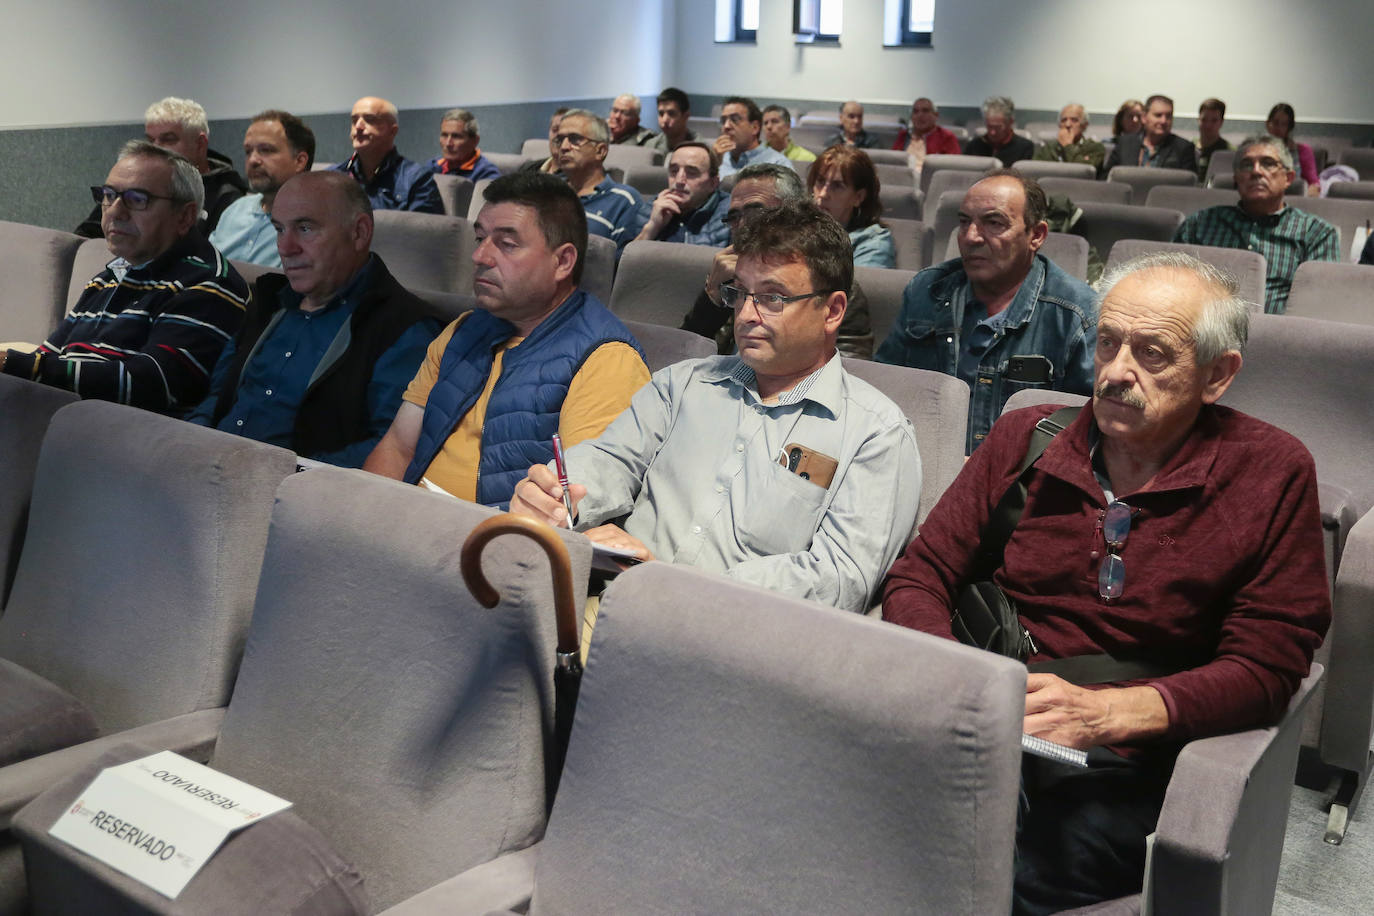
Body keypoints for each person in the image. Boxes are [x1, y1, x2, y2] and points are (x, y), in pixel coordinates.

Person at [881, 251, 1329, 914]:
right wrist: (955, 679)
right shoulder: (1026, 436)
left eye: (1151, 353)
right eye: (1109, 342)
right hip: (983, 704)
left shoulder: (1271, 472)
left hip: (1129, 750)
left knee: (1032, 868)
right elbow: (923, 574)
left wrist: (1114, 714)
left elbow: (1268, 667)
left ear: (1217, 375)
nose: (1116, 371)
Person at [510, 199, 921, 622]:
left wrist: (676, 586)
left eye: (773, 298)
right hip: (616, 603)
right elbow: (612, 460)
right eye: (740, 292)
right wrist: (563, 496)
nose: (745, 314)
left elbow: (840, 578)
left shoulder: (877, 434)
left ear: (832, 310)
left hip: (738, 639)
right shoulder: (683, 384)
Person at [363, 172, 649, 508]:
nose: (480, 257)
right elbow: (398, 446)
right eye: (480, 238)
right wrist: (362, 521)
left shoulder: (606, 359)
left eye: (506, 244)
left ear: (563, 261)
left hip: (492, 545)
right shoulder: (464, 329)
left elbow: (571, 506)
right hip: (406, 524)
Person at [189, 171, 440, 465]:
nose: (285, 248)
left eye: (305, 228)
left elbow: (390, 448)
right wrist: (188, 442)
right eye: (279, 229)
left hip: (300, 495)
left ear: (359, 233)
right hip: (208, 471)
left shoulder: (404, 327)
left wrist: (283, 480)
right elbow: (217, 396)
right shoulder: (268, 302)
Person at [4, 141, 247, 414]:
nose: (115, 211)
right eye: (108, 195)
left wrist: (17, 365)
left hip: (127, 442)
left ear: (185, 216)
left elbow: (152, 385)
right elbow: (47, 357)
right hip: (65, 421)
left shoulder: (207, 284)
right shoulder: (112, 274)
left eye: (137, 199)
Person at [875, 170, 1096, 453]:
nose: (971, 236)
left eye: (994, 222)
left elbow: (1091, 434)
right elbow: (885, 388)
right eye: (965, 222)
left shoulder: (1076, 316)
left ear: (1036, 235)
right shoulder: (927, 290)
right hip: (925, 461)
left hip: (1020, 484)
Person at [681, 162, 874, 359]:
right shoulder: (728, 277)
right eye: (734, 217)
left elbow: (849, 370)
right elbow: (684, 357)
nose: (742, 227)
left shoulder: (830, 283)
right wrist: (713, 297)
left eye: (755, 213)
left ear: (794, 215)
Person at [1174, 136, 1339, 313]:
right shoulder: (1200, 224)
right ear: (1236, 178)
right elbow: (1172, 285)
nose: (1256, 172)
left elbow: (1317, 307)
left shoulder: (1316, 233)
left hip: (1278, 335)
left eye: (1268, 164)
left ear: (1288, 178)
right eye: (1246, 165)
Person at [75, 97, 247, 238]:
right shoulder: (133, 181)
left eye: (168, 139)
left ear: (200, 144)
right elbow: (87, 234)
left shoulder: (227, 198)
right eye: (151, 140)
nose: (155, 148)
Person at [209, 110, 315, 268]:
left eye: (266, 150)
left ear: (299, 161)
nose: (252, 160)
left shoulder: (315, 222)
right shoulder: (234, 210)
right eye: (248, 151)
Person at [554, 109, 648, 250]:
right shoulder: (549, 190)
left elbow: (622, 265)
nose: (564, 147)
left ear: (600, 151)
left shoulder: (623, 200)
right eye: (560, 140)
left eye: (574, 139)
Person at [329, 96, 443, 214]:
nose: (358, 126)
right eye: (354, 120)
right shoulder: (332, 177)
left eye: (369, 119)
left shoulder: (417, 179)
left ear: (392, 131)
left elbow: (427, 230)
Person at [807, 146, 895, 268]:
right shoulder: (796, 228)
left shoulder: (873, 243)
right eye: (820, 181)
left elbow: (861, 286)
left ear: (858, 197)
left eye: (837, 186)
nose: (822, 194)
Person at [634, 142, 730, 246]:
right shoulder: (654, 207)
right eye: (674, 171)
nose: (679, 181)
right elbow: (626, 260)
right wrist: (652, 228)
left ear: (713, 183)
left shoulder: (731, 213)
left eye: (691, 173)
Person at [1106, 95, 1196, 173]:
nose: (1163, 121)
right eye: (1158, 115)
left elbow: (1189, 186)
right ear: (1144, 118)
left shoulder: (1183, 148)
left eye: (1168, 116)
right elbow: (1107, 178)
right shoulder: (1125, 143)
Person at [714, 96, 792, 178]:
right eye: (723, 121)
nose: (726, 126)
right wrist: (713, 165)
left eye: (735, 119)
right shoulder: (718, 160)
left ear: (755, 128)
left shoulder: (778, 163)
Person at [892, 97, 962, 174]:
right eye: (915, 111)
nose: (920, 115)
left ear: (936, 115)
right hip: (902, 175)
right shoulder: (904, 135)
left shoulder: (947, 137)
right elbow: (893, 161)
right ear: (911, 117)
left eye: (925, 111)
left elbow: (954, 168)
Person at [431, 108, 501, 181]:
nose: (448, 143)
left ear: (475, 141)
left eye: (456, 136)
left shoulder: (486, 175)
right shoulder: (433, 165)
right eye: (444, 135)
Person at [1033, 103, 1105, 173]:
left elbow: (1082, 172)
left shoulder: (1095, 148)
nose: (1067, 125)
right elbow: (1034, 170)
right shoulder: (1048, 147)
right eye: (1064, 120)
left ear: (1085, 125)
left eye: (1074, 120)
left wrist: (1068, 145)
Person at [964, 96, 1034, 167]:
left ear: (1010, 122)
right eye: (989, 126)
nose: (992, 132)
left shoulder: (1024, 148)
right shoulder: (974, 146)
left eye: (998, 127)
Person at [1266, 103, 1320, 189]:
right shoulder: (1257, 150)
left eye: (1283, 124)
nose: (1279, 128)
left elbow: (1313, 183)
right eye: (1275, 123)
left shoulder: (1303, 151)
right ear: (1268, 124)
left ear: (1290, 128)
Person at [520, 108, 570, 175]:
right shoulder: (528, 168)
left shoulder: (577, 177)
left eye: (565, 130)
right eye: (555, 129)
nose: (558, 135)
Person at [648, 88, 696, 154]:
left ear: (685, 116)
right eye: (661, 114)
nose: (664, 120)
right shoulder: (651, 146)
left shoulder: (699, 148)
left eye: (671, 114)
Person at [1194, 98, 1231, 183]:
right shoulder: (1187, 147)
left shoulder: (1229, 152)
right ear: (1198, 120)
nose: (1208, 125)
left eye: (1214, 121)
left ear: (1221, 122)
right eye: (1204, 120)